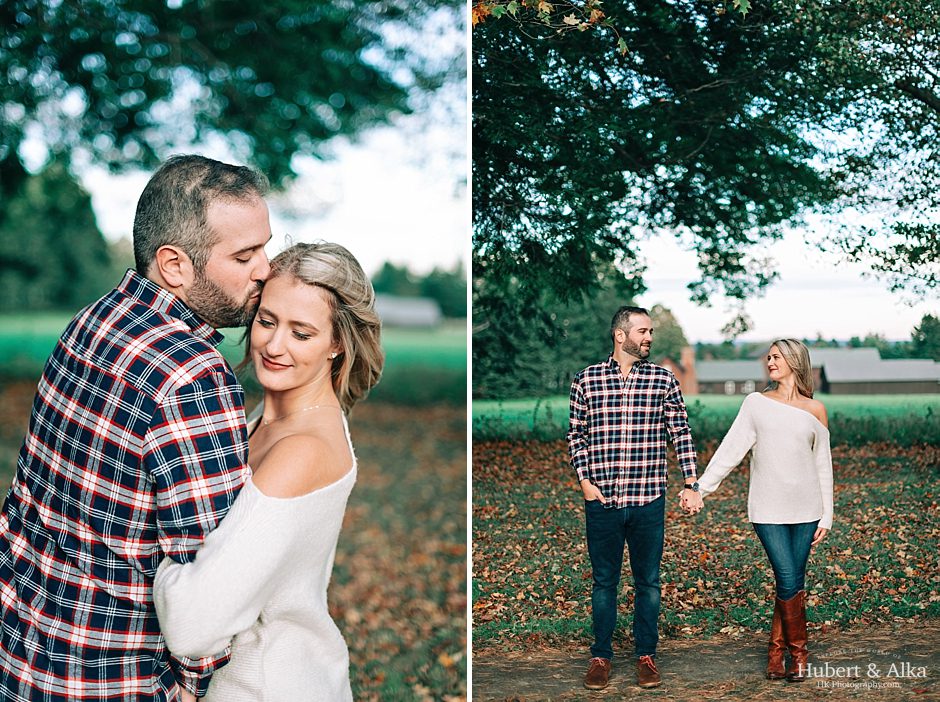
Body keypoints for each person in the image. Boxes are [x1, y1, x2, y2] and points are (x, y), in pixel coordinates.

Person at [0, 154, 272, 701]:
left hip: (19, 648)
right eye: (244, 255)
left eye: (265, 247)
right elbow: (205, 574)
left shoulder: (90, 321)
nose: (265, 268)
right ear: (174, 265)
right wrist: (196, 684)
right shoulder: (194, 375)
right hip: (111, 676)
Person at [153, 242, 384, 701]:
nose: (275, 346)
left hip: (270, 683)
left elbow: (192, 626)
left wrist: (141, 549)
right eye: (267, 321)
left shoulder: (303, 450)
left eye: (302, 333)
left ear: (337, 343)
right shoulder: (267, 416)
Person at [567, 305, 700, 690]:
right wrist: (585, 481)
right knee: (604, 582)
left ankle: (646, 655)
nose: (649, 338)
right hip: (602, 500)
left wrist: (691, 481)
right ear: (620, 335)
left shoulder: (663, 380)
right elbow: (576, 435)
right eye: (643, 331)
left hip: (647, 499)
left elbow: (681, 432)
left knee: (648, 582)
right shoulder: (586, 380)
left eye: (651, 332)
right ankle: (601, 656)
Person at [689, 338, 832, 683]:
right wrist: (700, 488)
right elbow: (731, 450)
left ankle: (775, 651)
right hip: (767, 509)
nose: (770, 361)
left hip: (807, 508)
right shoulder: (755, 403)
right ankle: (797, 655)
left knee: (793, 581)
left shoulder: (816, 410)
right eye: (768, 357)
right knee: (787, 578)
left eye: (777, 357)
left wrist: (826, 514)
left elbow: (823, 464)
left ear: (796, 362)